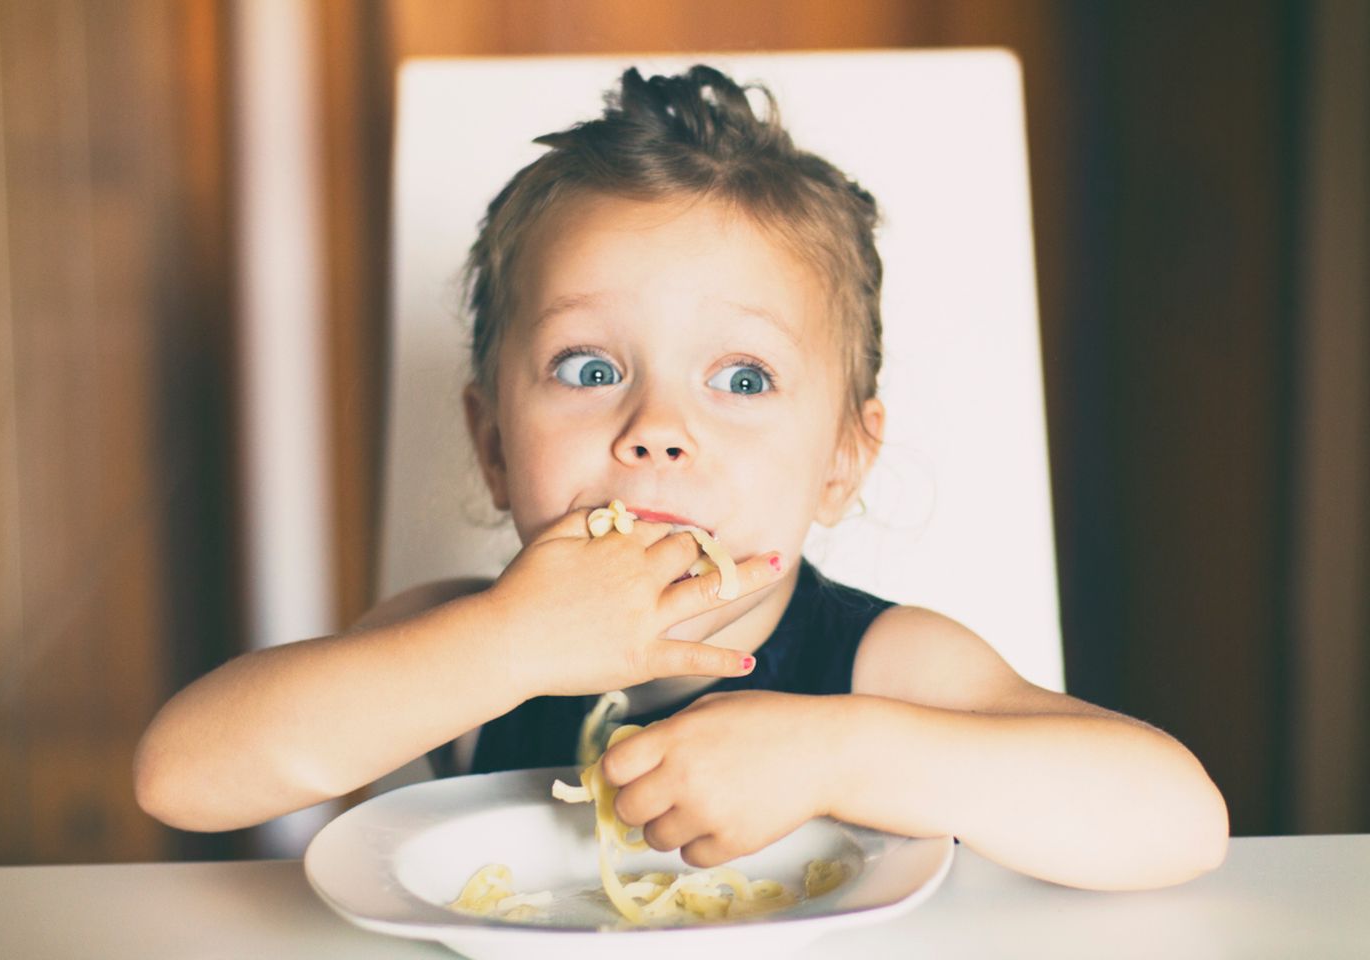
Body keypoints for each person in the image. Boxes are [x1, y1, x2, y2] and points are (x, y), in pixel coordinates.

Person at [135, 64, 1227, 890]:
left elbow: (1178, 820)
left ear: (843, 460)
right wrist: (502, 647)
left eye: (743, 378)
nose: (657, 428)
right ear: (495, 445)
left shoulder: (882, 666)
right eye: (593, 368)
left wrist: (839, 753)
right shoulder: (462, 651)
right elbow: (180, 776)